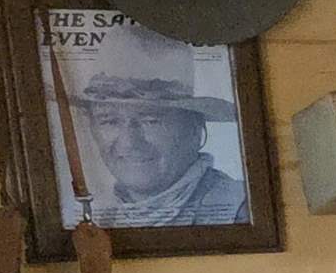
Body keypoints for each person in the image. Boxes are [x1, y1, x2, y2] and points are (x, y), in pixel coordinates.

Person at [69, 63, 247, 227]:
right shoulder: (98, 216)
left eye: (151, 120)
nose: (129, 142)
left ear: (194, 129)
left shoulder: (239, 209)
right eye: (110, 121)